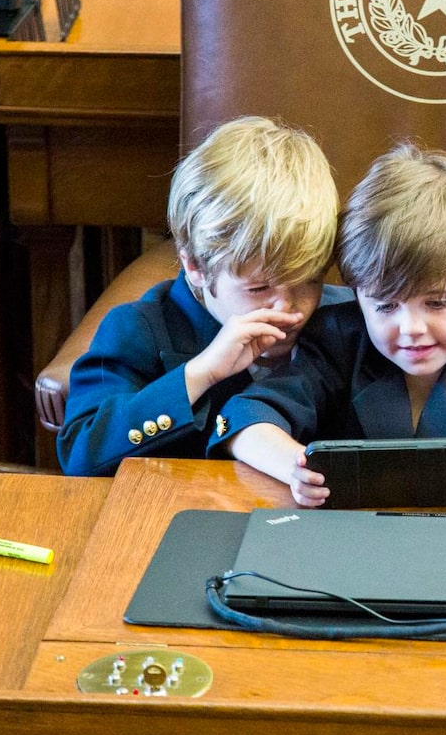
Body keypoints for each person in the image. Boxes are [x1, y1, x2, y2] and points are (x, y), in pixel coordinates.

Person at [208, 142, 446, 505]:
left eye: (436, 302)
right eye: (386, 306)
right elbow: (247, 416)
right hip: (352, 534)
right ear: (356, 294)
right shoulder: (337, 338)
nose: (411, 327)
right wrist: (293, 467)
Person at [57, 115, 350, 476]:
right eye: (259, 288)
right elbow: (80, 456)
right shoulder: (139, 330)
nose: (289, 309)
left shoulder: (343, 320)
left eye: (310, 282)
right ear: (195, 265)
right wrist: (199, 374)